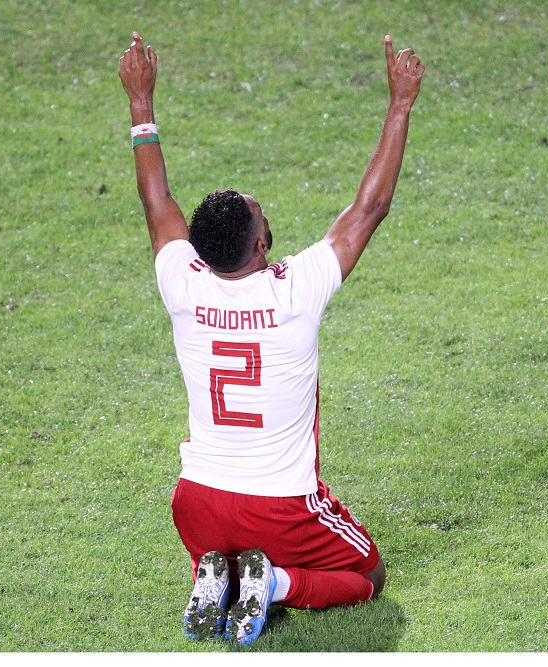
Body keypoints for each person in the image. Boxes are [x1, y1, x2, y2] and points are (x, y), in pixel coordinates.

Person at [117, 31, 423, 645]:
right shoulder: (295, 291)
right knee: (368, 577)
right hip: (280, 506)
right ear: (262, 244)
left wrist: (140, 104)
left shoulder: (182, 282)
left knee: (222, 538)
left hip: (197, 503)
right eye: (262, 214)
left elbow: (157, 201)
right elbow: (370, 208)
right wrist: (399, 104)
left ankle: (217, 575)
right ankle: (276, 583)